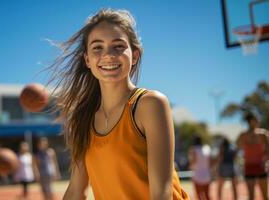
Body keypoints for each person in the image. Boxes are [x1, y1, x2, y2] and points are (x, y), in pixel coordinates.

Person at [46, 8, 189, 200]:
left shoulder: (150, 104)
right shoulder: (83, 119)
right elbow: (75, 191)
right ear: (87, 59)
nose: (109, 55)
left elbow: (161, 194)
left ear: (135, 55)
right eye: (98, 47)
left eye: (118, 46)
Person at [236, 113, 269, 200]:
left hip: (260, 166)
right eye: (255, 119)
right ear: (250, 121)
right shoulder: (243, 135)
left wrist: (265, 161)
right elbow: (238, 147)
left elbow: (268, 151)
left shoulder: (263, 134)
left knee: (265, 195)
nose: (258, 121)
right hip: (249, 166)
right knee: (251, 196)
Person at [188, 136, 212, 200]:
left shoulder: (193, 149)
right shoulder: (207, 148)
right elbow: (210, 162)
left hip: (197, 175)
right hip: (207, 175)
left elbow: (192, 162)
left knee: (199, 196)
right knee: (207, 195)